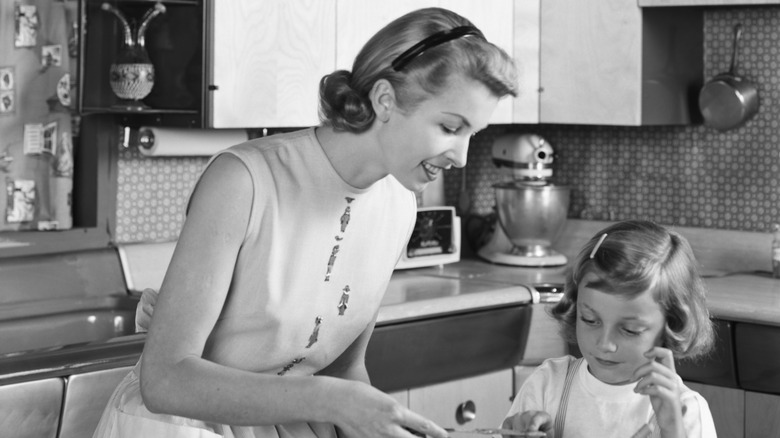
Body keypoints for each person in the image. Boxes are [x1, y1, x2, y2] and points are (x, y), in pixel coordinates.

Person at [93, 7, 518, 438]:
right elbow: (165, 380)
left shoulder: (400, 205)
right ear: (385, 100)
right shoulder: (244, 181)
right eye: (450, 127)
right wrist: (328, 399)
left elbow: (345, 370)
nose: (461, 157)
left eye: (474, 134)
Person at [502, 220, 717, 438]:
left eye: (630, 330)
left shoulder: (684, 412)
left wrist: (672, 430)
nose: (604, 344)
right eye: (590, 320)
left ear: (671, 325)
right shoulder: (547, 385)